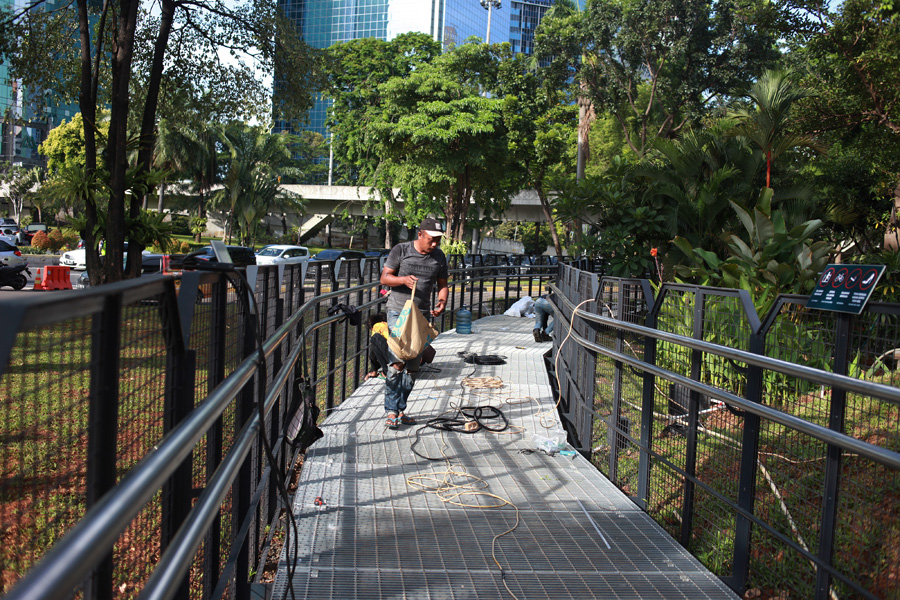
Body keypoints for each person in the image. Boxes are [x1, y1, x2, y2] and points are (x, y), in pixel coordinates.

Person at [379, 217, 450, 428]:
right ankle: (391, 411)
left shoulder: (439, 257)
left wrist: (442, 302)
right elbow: (384, 278)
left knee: (413, 367)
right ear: (420, 235)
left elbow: (443, 285)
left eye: (438, 240)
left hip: (421, 316)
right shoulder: (401, 250)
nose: (435, 244)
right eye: (431, 239)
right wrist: (403, 280)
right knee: (397, 362)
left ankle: (400, 410)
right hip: (398, 312)